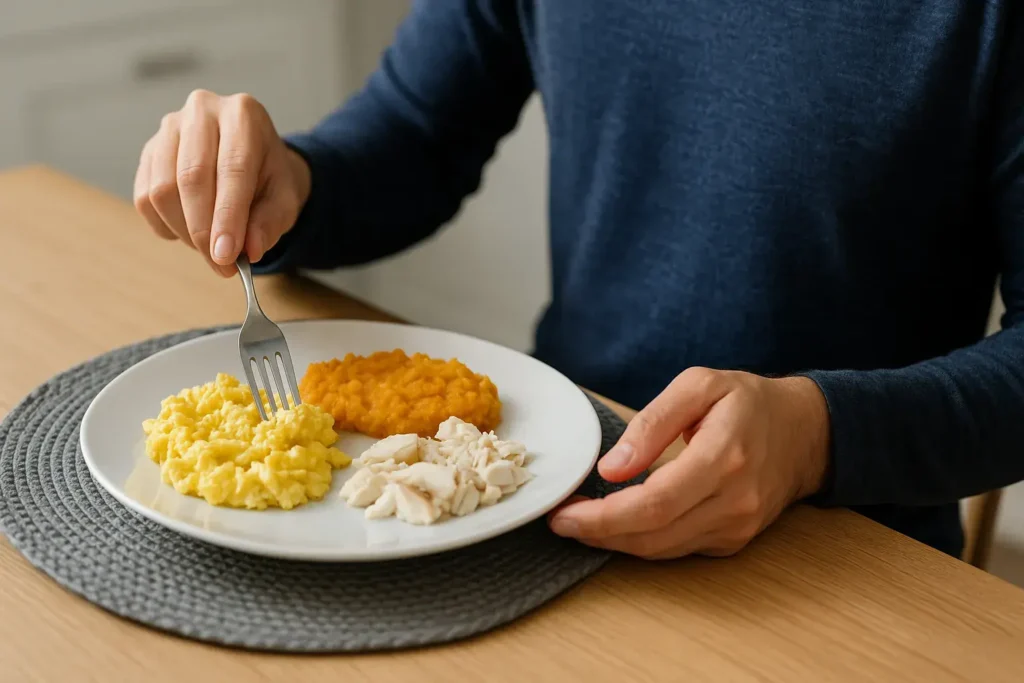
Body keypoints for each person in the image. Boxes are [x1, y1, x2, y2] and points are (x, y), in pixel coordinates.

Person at [133, 1, 1024, 560]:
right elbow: (416, 131)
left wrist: (818, 437)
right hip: (542, 492)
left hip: (852, 555)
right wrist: (288, 180)